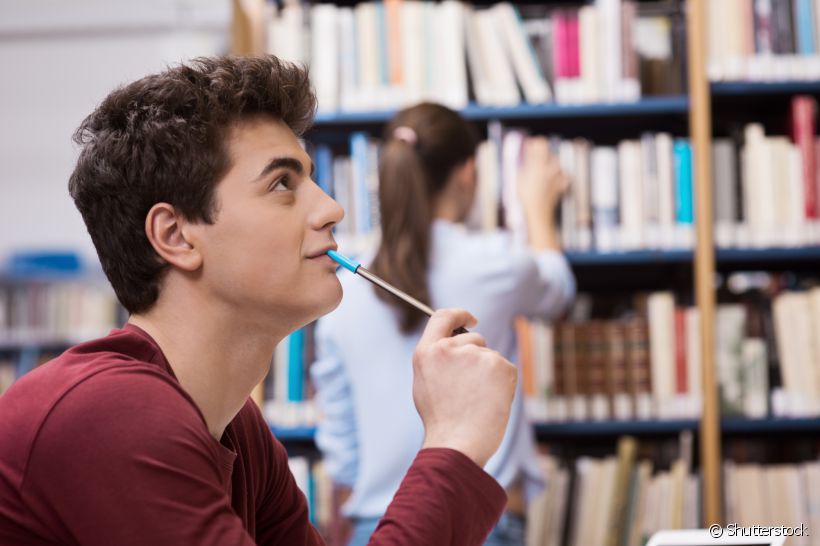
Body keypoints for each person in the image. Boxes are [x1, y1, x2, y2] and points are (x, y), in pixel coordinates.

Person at [0, 56, 520, 546]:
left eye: (311, 179)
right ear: (176, 236)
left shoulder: (238, 430)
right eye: (281, 184)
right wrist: (452, 442)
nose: (332, 208)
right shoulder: (109, 415)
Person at [312, 103, 576, 546]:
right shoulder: (494, 262)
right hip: (479, 526)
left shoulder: (341, 291)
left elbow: (342, 456)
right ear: (468, 172)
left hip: (377, 529)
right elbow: (559, 290)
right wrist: (537, 209)